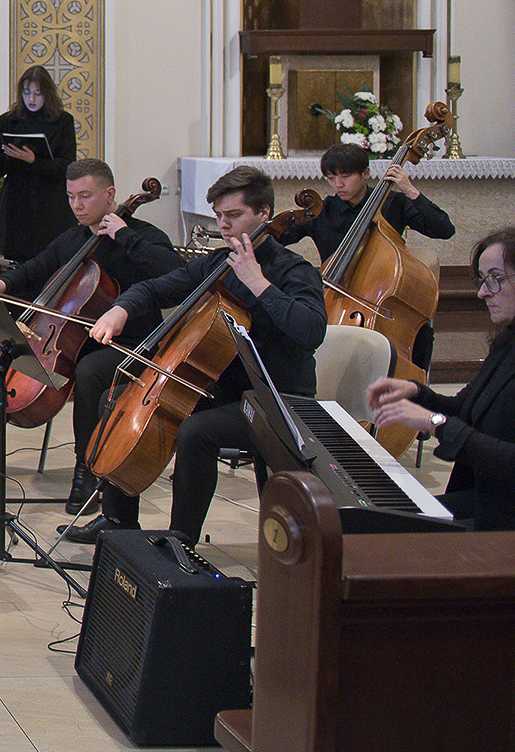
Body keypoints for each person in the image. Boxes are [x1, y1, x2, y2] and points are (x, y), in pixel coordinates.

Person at [69, 165, 326, 545]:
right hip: (219, 389)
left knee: (196, 432)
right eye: (219, 216)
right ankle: (118, 520)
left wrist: (258, 283)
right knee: (121, 396)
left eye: (234, 215)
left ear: (264, 214)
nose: (223, 224)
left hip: (275, 398)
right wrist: (120, 310)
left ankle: (180, 542)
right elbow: (158, 288)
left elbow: (311, 330)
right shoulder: (216, 263)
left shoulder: (293, 270)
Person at [0, 160, 184, 514]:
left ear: (110, 195)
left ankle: (88, 469)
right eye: (71, 197)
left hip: (129, 345)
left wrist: (124, 236)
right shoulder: (75, 237)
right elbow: (38, 266)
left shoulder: (144, 236)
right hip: (72, 339)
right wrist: (3, 282)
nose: (77, 205)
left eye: (85, 196)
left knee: (91, 371)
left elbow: (177, 277)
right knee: (4, 345)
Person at [367, 226, 515, 530]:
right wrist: (416, 393)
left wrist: (434, 424)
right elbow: (468, 407)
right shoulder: (514, 340)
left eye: (496, 279)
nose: (482, 292)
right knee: (367, 519)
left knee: (378, 531)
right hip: (495, 501)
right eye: (482, 280)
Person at [272, 140, 456, 370]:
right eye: (331, 178)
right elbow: (278, 239)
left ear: (365, 173)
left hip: (376, 297)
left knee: (422, 334)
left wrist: (410, 190)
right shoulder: (322, 211)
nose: (338, 184)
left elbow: (444, 230)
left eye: (345, 176)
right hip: (333, 298)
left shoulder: (393, 204)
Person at [0, 64, 78, 261]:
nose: (31, 99)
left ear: (47, 94)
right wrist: (11, 156)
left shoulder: (63, 121)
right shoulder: (8, 121)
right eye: (27, 92)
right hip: (17, 203)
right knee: (18, 263)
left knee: (52, 261)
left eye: (38, 93)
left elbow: (67, 167)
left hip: (51, 203)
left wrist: (33, 161)